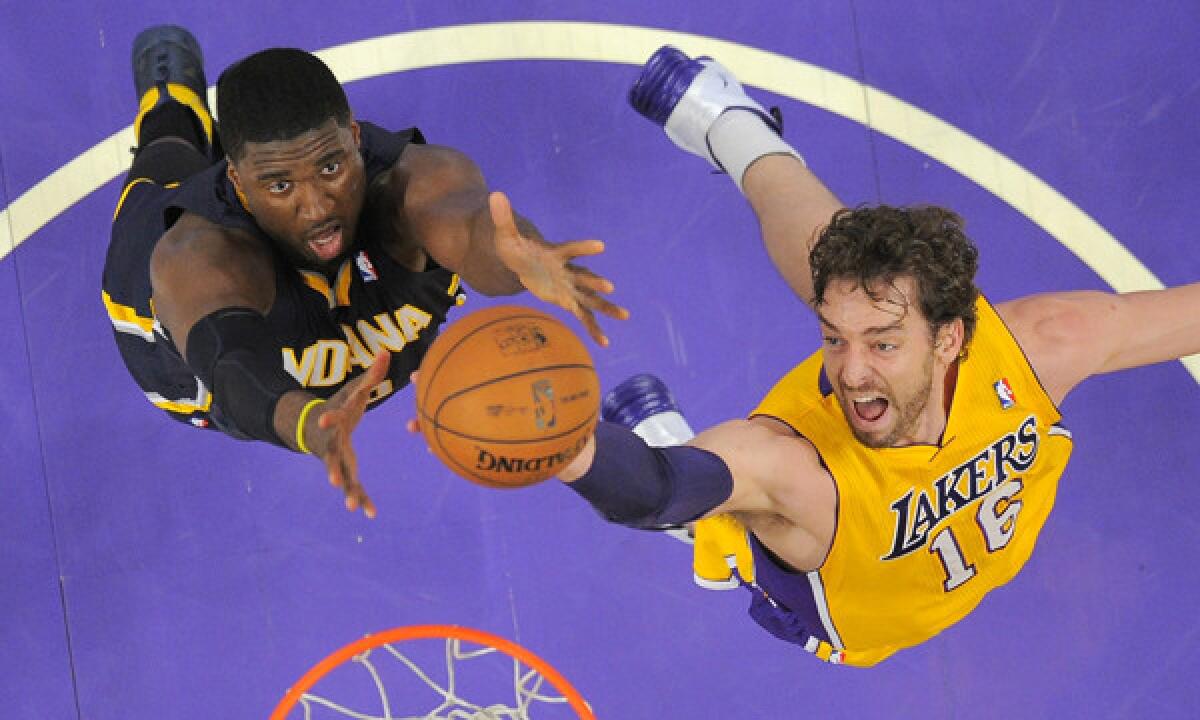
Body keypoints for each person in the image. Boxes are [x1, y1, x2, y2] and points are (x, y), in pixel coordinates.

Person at [556, 46, 1200, 666]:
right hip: (843, 610)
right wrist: (569, 450)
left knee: (862, 273)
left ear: (951, 338)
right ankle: (732, 129)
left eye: (884, 345)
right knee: (714, 504)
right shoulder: (797, 468)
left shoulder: (1043, 345)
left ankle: (728, 119)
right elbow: (656, 490)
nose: (851, 370)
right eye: (832, 337)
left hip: (971, 549)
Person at [101, 26, 626, 519]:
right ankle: (173, 103)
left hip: (350, 326)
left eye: (331, 168)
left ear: (354, 138)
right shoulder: (198, 257)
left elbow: (472, 230)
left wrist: (515, 257)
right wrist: (310, 426)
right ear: (237, 182)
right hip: (180, 343)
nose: (316, 207)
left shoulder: (416, 181)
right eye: (280, 186)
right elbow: (234, 369)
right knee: (167, 154)